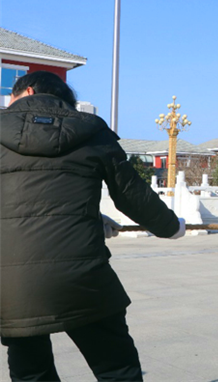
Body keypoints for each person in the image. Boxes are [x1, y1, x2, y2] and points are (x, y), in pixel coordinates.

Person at [0, 71, 185, 381]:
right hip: (83, 278)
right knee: (117, 368)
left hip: (9, 284)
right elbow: (132, 195)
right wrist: (171, 227)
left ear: (28, 91)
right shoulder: (91, 131)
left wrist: (93, 217)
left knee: (31, 371)